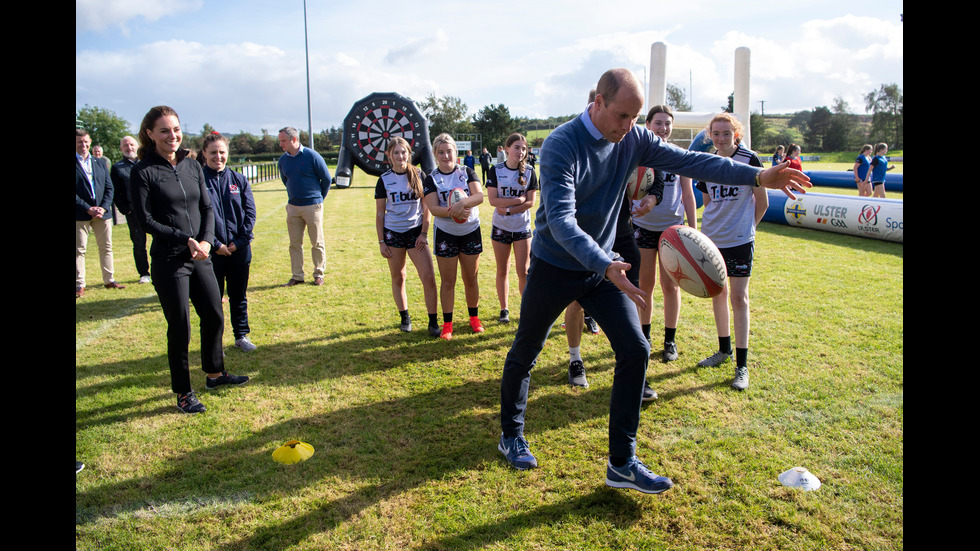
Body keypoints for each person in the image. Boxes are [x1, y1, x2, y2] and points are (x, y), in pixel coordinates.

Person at [497, 68, 809, 494]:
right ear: (598, 102)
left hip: (604, 266)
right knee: (526, 351)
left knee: (635, 348)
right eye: (622, 116)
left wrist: (757, 177)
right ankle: (510, 435)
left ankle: (622, 463)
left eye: (635, 118)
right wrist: (604, 262)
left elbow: (692, 161)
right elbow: (563, 223)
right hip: (556, 264)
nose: (628, 128)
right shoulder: (561, 145)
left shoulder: (634, 137)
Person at [129, 106, 249, 414]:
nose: (173, 136)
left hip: (201, 255)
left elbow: (208, 208)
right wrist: (186, 240)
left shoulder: (192, 165)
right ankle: (183, 392)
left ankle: (214, 373)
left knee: (214, 315)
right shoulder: (142, 171)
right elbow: (146, 220)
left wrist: (207, 241)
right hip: (170, 260)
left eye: (177, 129)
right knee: (179, 327)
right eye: (165, 130)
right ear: (150, 134)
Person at [694, 113, 768, 392]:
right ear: (710, 135)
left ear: (736, 133)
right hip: (712, 240)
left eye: (727, 132)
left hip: (739, 241)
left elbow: (761, 200)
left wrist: (747, 229)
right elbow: (709, 202)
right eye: (716, 133)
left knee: (739, 298)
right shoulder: (707, 162)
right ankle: (723, 350)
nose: (721, 137)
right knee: (718, 293)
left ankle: (742, 365)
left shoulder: (750, 159)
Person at [632, 105, 698, 365]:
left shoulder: (678, 155)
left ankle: (670, 340)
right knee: (644, 286)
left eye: (667, 124)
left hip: (673, 230)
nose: (663, 128)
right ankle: (644, 337)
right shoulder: (639, 155)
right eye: (658, 123)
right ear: (647, 125)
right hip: (644, 228)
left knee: (671, 286)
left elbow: (688, 193)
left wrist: (692, 229)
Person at [375, 137, 441, 337]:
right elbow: (380, 213)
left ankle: (433, 321)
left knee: (428, 277)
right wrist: (381, 241)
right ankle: (405, 317)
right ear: (389, 155)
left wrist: (423, 233)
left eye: (403, 152)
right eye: (396, 152)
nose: (400, 156)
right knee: (399, 276)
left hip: (415, 234)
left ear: (409, 154)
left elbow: (426, 206)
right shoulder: (384, 179)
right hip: (393, 234)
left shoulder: (419, 174)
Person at [422, 133, 485, 340]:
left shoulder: (466, 171)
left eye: (449, 151)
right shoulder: (431, 178)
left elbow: (479, 196)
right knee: (448, 281)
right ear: (435, 154)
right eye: (441, 152)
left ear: (455, 153)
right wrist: (455, 211)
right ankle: (447, 324)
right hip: (446, 233)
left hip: (470, 231)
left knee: (471, 279)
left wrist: (462, 204)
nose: (445, 155)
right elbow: (432, 208)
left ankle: (474, 318)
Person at [200, 132, 258, 352]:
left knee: (238, 296)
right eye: (213, 152)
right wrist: (216, 244)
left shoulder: (239, 180)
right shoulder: (199, 180)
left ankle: (241, 336)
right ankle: (216, 342)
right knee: (213, 300)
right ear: (204, 153)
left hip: (239, 250)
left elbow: (250, 214)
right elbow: (197, 218)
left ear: (227, 153)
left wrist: (240, 241)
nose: (218, 156)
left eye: (222, 152)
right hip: (212, 252)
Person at [486, 133, 538, 324]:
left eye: (524, 148)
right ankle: (504, 309)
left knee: (523, 271)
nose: (520, 152)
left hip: (522, 227)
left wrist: (508, 210)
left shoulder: (530, 171)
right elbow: (492, 200)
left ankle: (525, 309)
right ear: (507, 148)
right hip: (501, 228)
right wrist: (517, 200)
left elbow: (530, 202)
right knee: (502, 270)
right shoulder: (496, 170)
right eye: (517, 147)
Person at [277, 126, 331, 287]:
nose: (281, 145)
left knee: (317, 242)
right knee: (294, 243)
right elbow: (285, 180)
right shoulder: (283, 160)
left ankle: (319, 274)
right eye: (280, 141)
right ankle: (297, 275)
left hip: (312, 206)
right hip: (293, 207)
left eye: (283, 141)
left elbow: (326, 179)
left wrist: (318, 198)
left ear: (294, 140)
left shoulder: (312, 156)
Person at [76, 129, 125, 298]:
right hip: (80, 214)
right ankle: (79, 284)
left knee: (106, 247)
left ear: (90, 142)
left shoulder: (99, 163)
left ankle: (109, 280)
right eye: (79, 142)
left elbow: (109, 188)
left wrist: (103, 208)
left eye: (86, 141)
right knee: (79, 250)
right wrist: (87, 208)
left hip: (102, 214)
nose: (83, 145)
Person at [111, 135, 152, 284]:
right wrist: (126, 210)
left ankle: (160, 269)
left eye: (132, 145)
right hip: (134, 212)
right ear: (121, 149)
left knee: (160, 240)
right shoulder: (117, 168)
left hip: (152, 210)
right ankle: (144, 273)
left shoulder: (147, 162)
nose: (129, 148)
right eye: (126, 146)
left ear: (137, 146)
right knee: (139, 243)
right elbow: (116, 192)